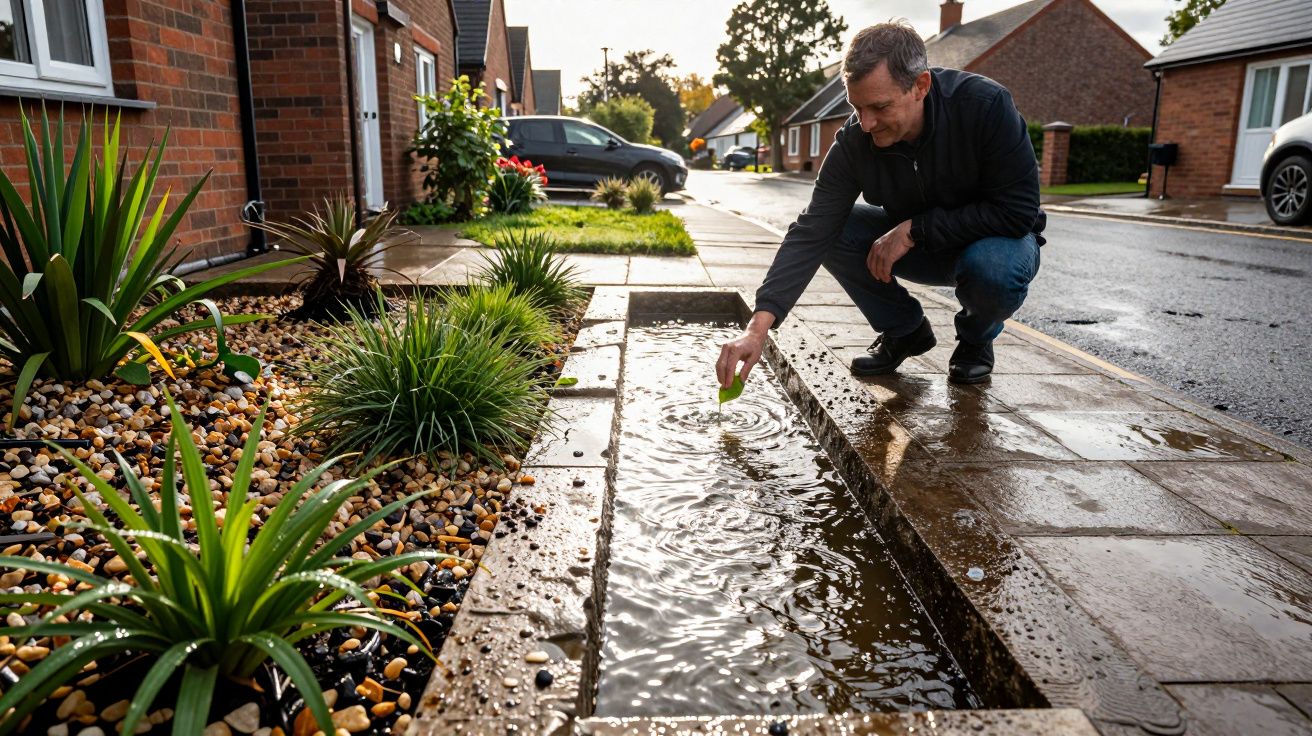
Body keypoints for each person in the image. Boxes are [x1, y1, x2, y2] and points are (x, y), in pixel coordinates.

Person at [716, 21, 1044, 391]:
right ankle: (904, 330)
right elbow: (812, 230)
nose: (867, 123)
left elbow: (1018, 212)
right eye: (857, 108)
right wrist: (757, 329)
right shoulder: (857, 140)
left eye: (880, 106)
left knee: (994, 269)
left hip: (995, 243)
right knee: (835, 229)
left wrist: (915, 229)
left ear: (920, 86)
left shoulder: (984, 106)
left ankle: (975, 339)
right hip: (919, 248)